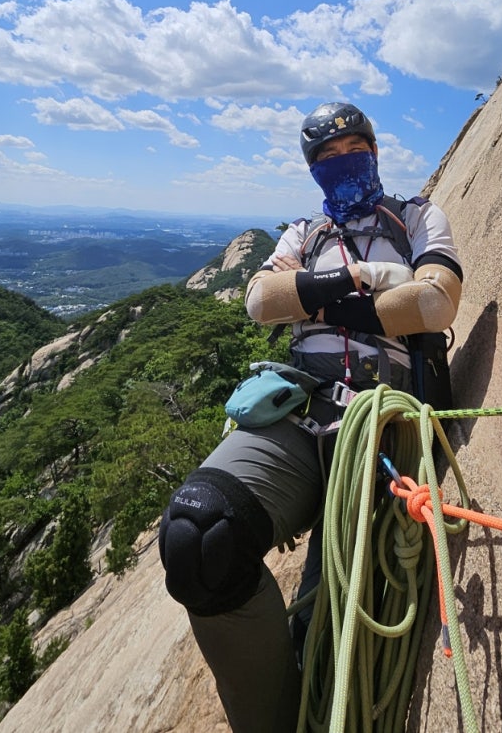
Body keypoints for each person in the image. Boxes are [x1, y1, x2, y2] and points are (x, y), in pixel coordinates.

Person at [159, 102, 463, 733]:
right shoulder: (303, 232)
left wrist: (318, 303)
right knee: (197, 536)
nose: (340, 162)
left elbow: (434, 302)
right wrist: (358, 288)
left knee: (336, 611)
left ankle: (320, 696)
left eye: (351, 147)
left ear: (374, 151)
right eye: (325, 156)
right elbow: (260, 299)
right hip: (300, 411)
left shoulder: (416, 216)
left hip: (383, 418)